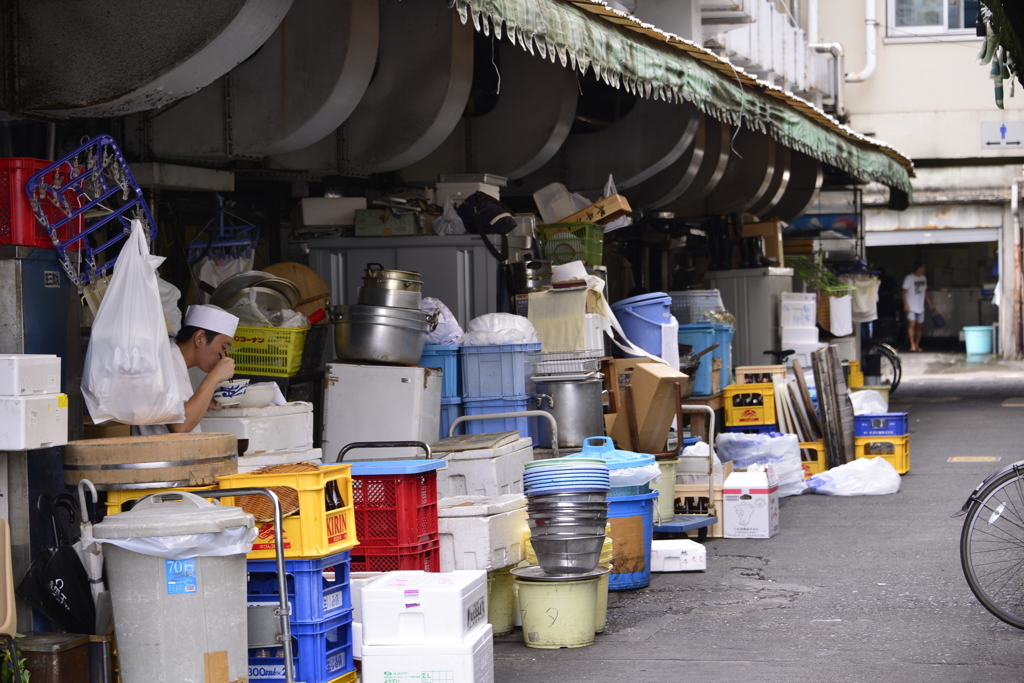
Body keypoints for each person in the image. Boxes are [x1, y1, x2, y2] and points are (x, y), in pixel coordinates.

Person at [135, 304, 239, 435]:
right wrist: (215, 377)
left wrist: (204, 401)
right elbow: (180, 426)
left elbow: (175, 410)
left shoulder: (174, 361)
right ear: (199, 338)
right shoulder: (164, 363)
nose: (224, 356)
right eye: (223, 347)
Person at [902, 260, 934, 353]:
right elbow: (903, 292)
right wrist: (905, 304)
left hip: (920, 306)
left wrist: (930, 303)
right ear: (919, 268)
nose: (925, 269)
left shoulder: (923, 278)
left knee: (920, 326)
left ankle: (916, 344)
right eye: (924, 267)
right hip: (911, 306)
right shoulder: (909, 278)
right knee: (912, 324)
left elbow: (926, 292)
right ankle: (912, 344)